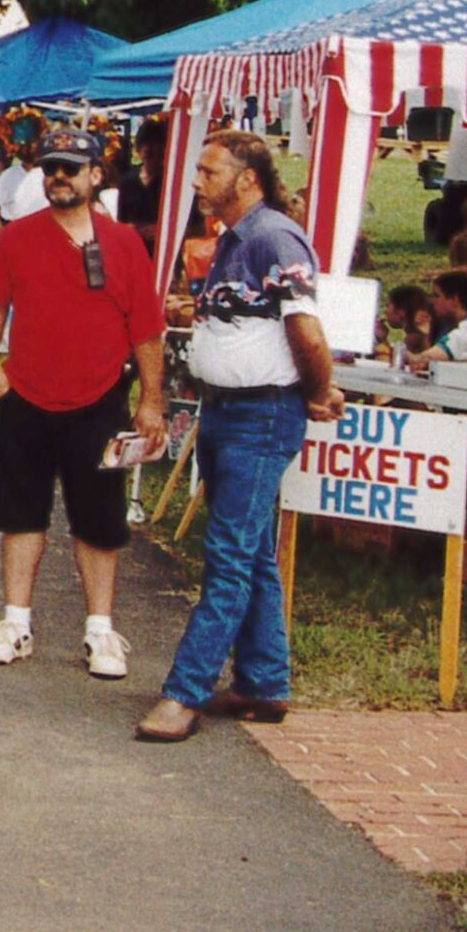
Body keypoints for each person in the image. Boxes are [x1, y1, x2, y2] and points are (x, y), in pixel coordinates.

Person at [137, 131, 340, 743]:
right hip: (229, 411)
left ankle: (185, 692)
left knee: (227, 557)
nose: (196, 180)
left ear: (247, 178)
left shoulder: (273, 237)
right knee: (250, 553)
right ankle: (263, 681)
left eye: (208, 170)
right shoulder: (236, 240)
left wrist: (317, 389)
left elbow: (306, 329)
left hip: (262, 415)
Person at [0, 127, 166, 681]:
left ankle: (101, 629)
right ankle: (14, 622)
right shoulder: (19, 237)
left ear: (95, 176)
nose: (59, 176)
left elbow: (147, 330)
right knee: (20, 513)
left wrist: (150, 400)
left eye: (71, 168)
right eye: (50, 167)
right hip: (26, 396)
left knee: (99, 520)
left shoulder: (124, 243)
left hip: (100, 398)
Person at [113, 120, 167, 256]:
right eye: (144, 144)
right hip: (133, 252)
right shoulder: (127, 182)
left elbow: (195, 227)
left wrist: (161, 230)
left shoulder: (170, 182)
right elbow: (121, 221)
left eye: (154, 144)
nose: (148, 149)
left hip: (163, 254)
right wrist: (134, 229)